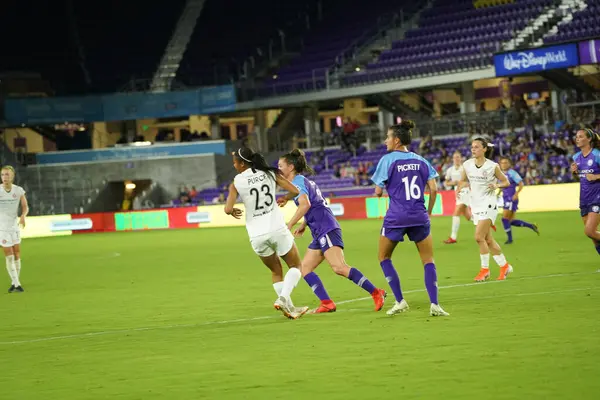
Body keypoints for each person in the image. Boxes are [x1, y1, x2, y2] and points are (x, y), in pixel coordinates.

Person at [277, 149, 387, 313]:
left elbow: (305, 204)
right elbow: (313, 204)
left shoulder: (299, 183)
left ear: (291, 167)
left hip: (326, 228)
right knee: (304, 268)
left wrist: (290, 224)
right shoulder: (301, 182)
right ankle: (327, 303)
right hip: (320, 230)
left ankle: (376, 292)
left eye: (280, 166)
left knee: (339, 267)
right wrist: (304, 224)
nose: (278, 169)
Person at [371, 121, 449, 317]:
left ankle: (400, 301)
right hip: (419, 215)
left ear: (397, 140)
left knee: (384, 257)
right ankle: (435, 305)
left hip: (396, 217)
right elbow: (434, 189)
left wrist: (379, 193)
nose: (385, 141)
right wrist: (429, 211)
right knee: (428, 260)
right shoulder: (422, 161)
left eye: (388, 137)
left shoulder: (387, 160)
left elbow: (378, 192)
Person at [224, 147, 308, 319]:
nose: (234, 166)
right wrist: (285, 198)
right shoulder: (270, 173)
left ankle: (290, 308)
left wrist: (232, 212)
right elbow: (295, 190)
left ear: (242, 164)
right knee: (296, 266)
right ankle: (283, 298)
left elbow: (227, 208)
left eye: (234, 163)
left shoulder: (237, 181)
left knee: (276, 271)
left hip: (256, 235)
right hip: (276, 228)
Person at [459, 138, 514, 282]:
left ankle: (485, 270)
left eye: (476, 147)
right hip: (475, 205)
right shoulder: (467, 165)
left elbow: (506, 182)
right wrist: (461, 189)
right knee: (488, 239)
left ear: (484, 149)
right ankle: (504, 266)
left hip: (488, 204)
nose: (473, 149)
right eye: (472, 147)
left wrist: (497, 186)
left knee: (479, 237)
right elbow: (463, 180)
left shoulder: (492, 166)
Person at [570, 129, 600, 256]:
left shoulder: (597, 154)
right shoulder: (576, 157)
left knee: (589, 231)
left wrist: (596, 177)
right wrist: (575, 173)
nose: (577, 138)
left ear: (588, 139)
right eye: (576, 136)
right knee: (593, 237)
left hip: (597, 196)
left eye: (581, 136)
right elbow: (580, 178)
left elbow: (593, 176)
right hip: (584, 198)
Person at [498, 156, 539, 244]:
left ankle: (510, 239)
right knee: (511, 221)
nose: (504, 165)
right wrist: (498, 193)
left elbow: (521, 183)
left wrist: (516, 193)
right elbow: (503, 186)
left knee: (504, 219)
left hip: (511, 198)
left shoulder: (512, 173)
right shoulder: (500, 174)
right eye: (502, 163)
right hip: (505, 198)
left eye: (506, 163)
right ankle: (531, 226)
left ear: (509, 164)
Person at [1, 166, 28, 293]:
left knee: (17, 254)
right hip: (2, 228)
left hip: (14, 227)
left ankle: (14, 282)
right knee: (10, 256)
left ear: (12, 176)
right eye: (2, 175)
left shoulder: (18, 190)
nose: (5, 177)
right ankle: (17, 284)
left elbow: (25, 206)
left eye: (7, 175)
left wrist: (23, 215)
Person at [443, 151, 472, 244]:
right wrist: (454, 183)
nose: (457, 159)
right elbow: (446, 182)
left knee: (456, 213)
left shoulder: (465, 168)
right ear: (452, 159)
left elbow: (470, 181)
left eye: (458, 157)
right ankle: (484, 223)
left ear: (461, 158)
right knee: (468, 216)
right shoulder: (450, 170)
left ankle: (453, 237)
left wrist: (461, 184)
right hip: (458, 192)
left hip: (465, 191)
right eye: (455, 157)